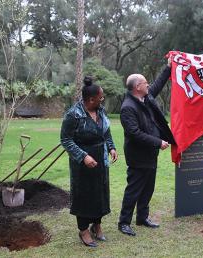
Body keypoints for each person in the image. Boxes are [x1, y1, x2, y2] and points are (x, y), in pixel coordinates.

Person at [117, 58, 175, 236]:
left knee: (148, 187)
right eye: (144, 83)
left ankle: (142, 217)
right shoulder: (128, 108)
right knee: (134, 189)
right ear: (137, 87)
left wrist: (169, 68)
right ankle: (124, 222)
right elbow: (135, 133)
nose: (148, 85)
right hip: (138, 155)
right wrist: (158, 142)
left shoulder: (146, 97)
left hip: (150, 154)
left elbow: (157, 84)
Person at [60, 77, 118, 247]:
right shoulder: (73, 115)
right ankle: (83, 230)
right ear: (91, 99)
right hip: (82, 163)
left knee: (100, 193)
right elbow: (66, 139)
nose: (103, 99)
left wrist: (111, 147)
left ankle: (97, 226)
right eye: (101, 97)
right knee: (84, 195)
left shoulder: (101, 110)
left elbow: (106, 132)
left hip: (101, 158)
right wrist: (83, 156)